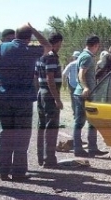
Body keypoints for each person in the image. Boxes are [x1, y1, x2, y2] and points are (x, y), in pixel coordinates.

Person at [0, 23, 51, 181]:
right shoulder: (30, 51)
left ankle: (2, 170)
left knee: (5, 133)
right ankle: (18, 171)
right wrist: (35, 30)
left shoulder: (1, 48)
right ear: (29, 37)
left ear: (15, 34)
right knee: (22, 135)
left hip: (4, 96)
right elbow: (48, 46)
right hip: (23, 98)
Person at [72, 35, 108, 157]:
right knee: (81, 122)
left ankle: (92, 147)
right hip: (84, 94)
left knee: (91, 121)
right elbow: (81, 74)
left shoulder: (84, 55)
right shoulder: (87, 57)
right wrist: (86, 87)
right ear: (95, 45)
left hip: (84, 93)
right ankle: (79, 148)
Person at [35, 33, 64, 168]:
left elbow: (35, 77)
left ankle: (41, 156)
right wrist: (57, 99)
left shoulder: (40, 56)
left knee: (42, 125)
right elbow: (50, 79)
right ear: (56, 43)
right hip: (49, 93)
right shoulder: (51, 56)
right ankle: (49, 158)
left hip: (41, 91)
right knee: (51, 127)